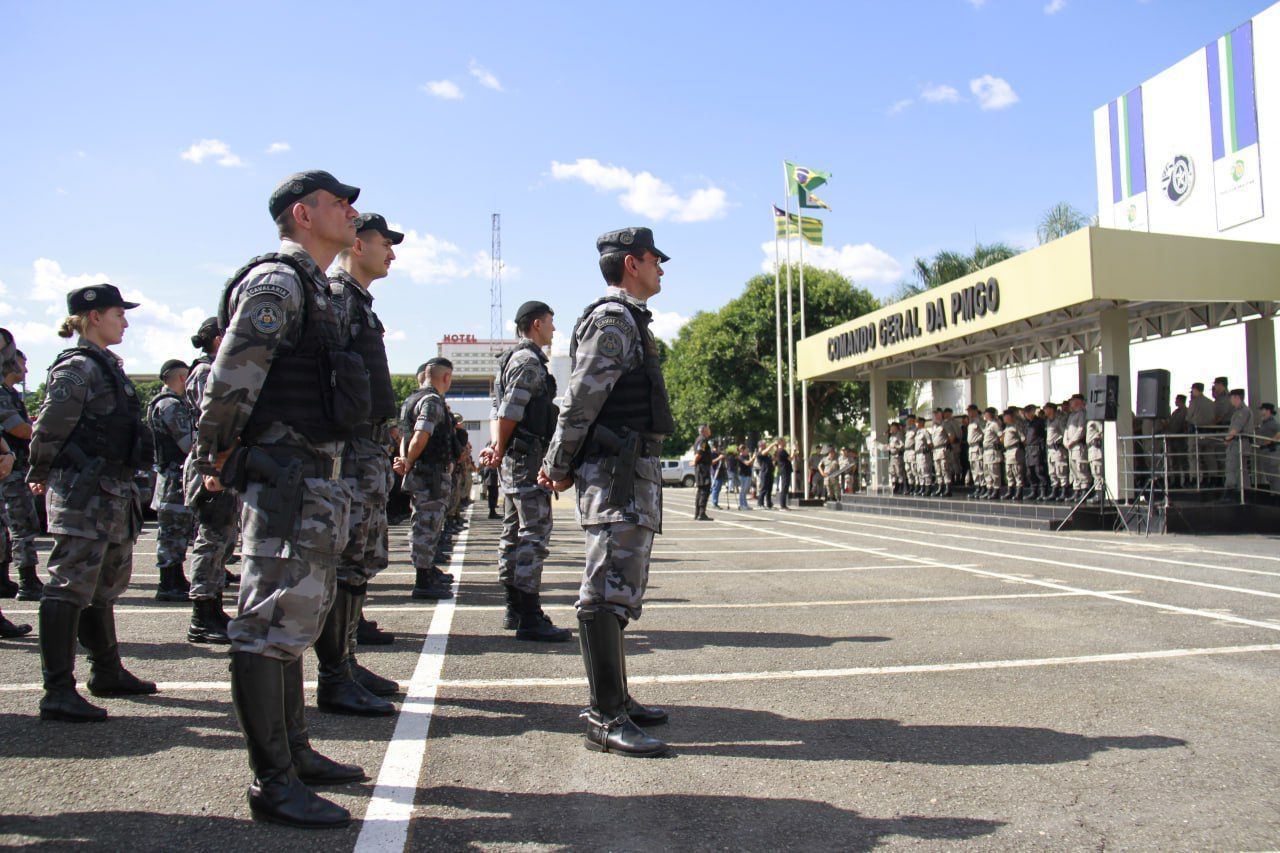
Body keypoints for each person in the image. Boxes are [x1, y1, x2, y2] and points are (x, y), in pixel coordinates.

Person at [194, 170, 366, 828]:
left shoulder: (316, 286)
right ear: (303, 213)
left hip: (312, 476)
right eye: (339, 201)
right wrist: (213, 458)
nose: (351, 210)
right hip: (286, 476)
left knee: (293, 618)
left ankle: (294, 752)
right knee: (266, 622)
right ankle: (272, 781)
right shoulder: (279, 281)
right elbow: (231, 375)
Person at [539, 225, 672, 758]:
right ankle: (604, 715)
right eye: (655, 259)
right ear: (632, 263)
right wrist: (558, 463)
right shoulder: (614, 320)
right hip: (614, 474)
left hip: (628, 472)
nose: (661, 268)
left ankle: (617, 698)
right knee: (605, 588)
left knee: (622, 586)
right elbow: (579, 402)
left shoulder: (630, 320)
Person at [27, 286, 158, 722]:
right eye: (119, 313)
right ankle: (58, 691)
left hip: (111, 491)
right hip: (83, 491)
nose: (126, 322)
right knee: (68, 586)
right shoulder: (79, 366)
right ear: (94, 315)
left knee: (102, 587)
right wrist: (39, 470)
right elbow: (50, 425)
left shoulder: (108, 365)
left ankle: (106, 671)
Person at [314, 211, 407, 715]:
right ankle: (334, 676)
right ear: (357, 242)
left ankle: (345, 662)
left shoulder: (358, 303)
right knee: (345, 559)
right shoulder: (336, 298)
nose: (391, 251)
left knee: (359, 561)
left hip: (365, 450)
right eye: (384, 242)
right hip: (346, 453)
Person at [482, 299, 571, 643]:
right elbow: (509, 410)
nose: (553, 328)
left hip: (515, 458)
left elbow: (496, 410)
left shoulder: (509, 359)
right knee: (534, 534)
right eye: (550, 321)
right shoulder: (528, 362)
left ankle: (514, 607)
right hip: (527, 459)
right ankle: (529, 615)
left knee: (513, 533)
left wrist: (496, 446)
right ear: (536, 324)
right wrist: (500, 446)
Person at [184, 317, 238, 645]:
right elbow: (211, 422)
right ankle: (201, 615)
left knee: (222, 539)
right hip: (211, 464)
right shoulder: (206, 372)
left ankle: (214, 607)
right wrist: (211, 469)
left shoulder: (217, 368)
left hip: (221, 463)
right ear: (219, 339)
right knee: (211, 539)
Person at [395, 359, 458, 601]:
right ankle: (423, 581)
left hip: (423, 471)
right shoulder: (432, 401)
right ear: (446, 378)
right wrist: (409, 460)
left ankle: (428, 571)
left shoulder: (411, 399)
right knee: (427, 525)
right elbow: (420, 435)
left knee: (426, 523)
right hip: (429, 473)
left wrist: (405, 459)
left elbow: (405, 435)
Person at [148, 358, 196, 602]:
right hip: (173, 480)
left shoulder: (170, 403)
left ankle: (175, 578)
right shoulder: (170, 405)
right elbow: (188, 443)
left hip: (173, 478)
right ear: (180, 378)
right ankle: (169, 582)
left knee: (176, 531)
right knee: (172, 532)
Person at [1, 344, 43, 600]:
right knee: (20, 527)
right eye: (21, 362)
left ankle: (10, 580)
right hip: (9, 473)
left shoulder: (11, 394)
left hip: (16, 469)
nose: (25, 369)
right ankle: (26, 581)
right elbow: (19, 430)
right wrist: (44, 430)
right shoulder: (2, 395)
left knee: (18, 526)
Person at [1221, 389, 1254, 500]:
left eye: (1231, 397)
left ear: (1236, 397)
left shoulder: (1242, 411)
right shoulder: (1240, 411)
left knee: (1232, 468)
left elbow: (1235, 429)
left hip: (1238, 444)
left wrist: (1227, 439)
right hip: (1240, 444)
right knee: (1241, 470)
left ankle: (1229, 494)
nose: (1230, 400)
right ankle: (1245, 495)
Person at [1186, 382, 1217, 486]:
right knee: (1209, 456)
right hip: (1209, 433)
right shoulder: (1210, 402)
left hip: (1196, 432)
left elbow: (1188, 417)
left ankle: (1194, 479)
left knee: (1194, 457)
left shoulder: (1194, 403)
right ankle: (1213, 479)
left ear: (1195, 390)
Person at [1065, 394, 1091, 497]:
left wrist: (1071, 441)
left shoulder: (1082, 413)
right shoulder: (1071, 415)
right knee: (1073, 469)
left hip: (1078, 445)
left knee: (1081, 468)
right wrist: (1065, 441)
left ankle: (1084, 489)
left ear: (1078, 401)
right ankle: (1076, 489)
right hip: (1070, 447)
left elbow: (1081, 429)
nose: (1070, 403)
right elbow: (1067, 429)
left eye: (1072, 401)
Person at [1022, 404, 1048, 501]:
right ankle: (1034, 491)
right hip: (1029, 449)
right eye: (1026, 413)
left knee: (1039, 471)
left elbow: (1043, 436)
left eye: (1029, 412)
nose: (1027, 415)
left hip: (1037, 448)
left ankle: (1043, 491)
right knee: (1030, 472)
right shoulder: (1027, 423)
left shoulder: (1039, 422)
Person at [1000, 409, 1025, 500]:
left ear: (1010, 416)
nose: (1004, 418)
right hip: (1008, 451)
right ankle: (1010, 491)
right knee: (1009, 472)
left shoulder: (1017, 426)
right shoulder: (1006, 427)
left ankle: (1019, 491)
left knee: (1017, 471)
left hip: (1015, 449)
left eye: (1005, 416)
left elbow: (1023, 439)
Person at [1165, 393, 1189, 489]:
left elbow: (1182, 425)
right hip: (1173, 439)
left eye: (1177, 400)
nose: (1175, 401)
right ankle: (1177, 480)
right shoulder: (1175, 412)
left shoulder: (1185, 412)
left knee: (1182, 461)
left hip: (1180, 439)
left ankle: (1187, 479)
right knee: (1174, 461)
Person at [692, 424, 714, 520]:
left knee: (700, 490)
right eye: (708, 429)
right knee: (705, 489)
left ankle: (697, 513)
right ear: (704, 430)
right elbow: (700, 453)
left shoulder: (698, 439)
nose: (710, 431)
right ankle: (701, 513)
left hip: (700, 467)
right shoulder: (703, 440)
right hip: (703, 468)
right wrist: (695, 461)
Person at [1255, 403, 1278, 491]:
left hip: (1271, 451)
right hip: (1266, 451)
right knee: (1270, 476)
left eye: (1262, 409)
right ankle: (1274, 494)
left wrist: (1271, 441)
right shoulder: (1265, 423)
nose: (1261, 412)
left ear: (1268, 411)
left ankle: (1277, 495)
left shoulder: (1272, 422)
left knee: (1273, 475)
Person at [981, 407, 1003, 501]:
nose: (984, 415)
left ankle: (996, 489)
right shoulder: (987, 425)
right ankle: (989, 488)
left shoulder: (994, 424)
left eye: (985, 413)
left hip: (992, 450)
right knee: (987, 471)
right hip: (986, 451)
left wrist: (999, 445)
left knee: (994, 471)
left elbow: (1001, 436)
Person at [964, 405, 983, 497]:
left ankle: (983, 487)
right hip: (971, 448)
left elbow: (985, 433)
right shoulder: (971, 422)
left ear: (975, 410)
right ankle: (977, 488)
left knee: (979, 469)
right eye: (968, 411)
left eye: (970, 411)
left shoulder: (980, 420)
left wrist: (981, 441)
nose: (969, 413)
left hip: (977, 447)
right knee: (974, 469)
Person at [1085, 415, 1105, 503]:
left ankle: (1099, 495)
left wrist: (1098, 438)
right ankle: (1097, 493)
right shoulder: (1090, 419)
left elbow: (1102, 430)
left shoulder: (1095, 419)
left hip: (1096, 449)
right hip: (1091, 449)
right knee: (1094, 472)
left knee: (1097, 472)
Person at [914, 415, 935, 497]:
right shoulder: (917, 432)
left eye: (917, 422)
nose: (916, 424)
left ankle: (928, 488)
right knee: (919, 471)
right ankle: (922, 487)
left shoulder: (925, 432)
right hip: (918, 454)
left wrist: (928, 451)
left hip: (924, 454)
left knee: (925, 471)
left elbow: (930, 443)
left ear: (921, 423)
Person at [710, 445, 733, 509]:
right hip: (715, 473)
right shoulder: (713, 454)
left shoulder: (720, 454)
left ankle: (715, 502)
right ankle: (714, 503)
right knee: (715, 489)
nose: (719, 450)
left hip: (720, 473)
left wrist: (724, 458)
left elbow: (726, 463)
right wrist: (719, 458)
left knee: (718, 489)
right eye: (718, 449)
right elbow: (711, 462)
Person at [755, 439, 775, 508]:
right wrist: (772, 444)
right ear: (760, 446)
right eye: (763, 445)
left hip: (770, 472)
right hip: (764, 472)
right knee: (763, 488)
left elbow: (773, 458)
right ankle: (760, 503)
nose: (765, 446)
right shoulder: (759, 453)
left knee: (769, 489)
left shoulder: (767, 455)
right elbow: (765, 451)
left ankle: (769, 503)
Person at [775, 438, 793, 510]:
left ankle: (783, 504)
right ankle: (783, 505)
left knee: (785, 487)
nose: (785, 443)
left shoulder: (779, 451)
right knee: (784, 487)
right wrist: (794, 451)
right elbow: (790, 458)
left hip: (784, 470)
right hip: (784, 470)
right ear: (781, 442)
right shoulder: (781, 451)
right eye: (784, 442)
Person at [887, 423, 905, 494]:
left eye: (892, 427)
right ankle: (895, 487)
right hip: (892, 456)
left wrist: (895, 446)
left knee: (898, 472)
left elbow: (902, 445)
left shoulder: (899, 435)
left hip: (897, 456)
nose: (891, 429)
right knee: (892, 472)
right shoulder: (891, 437)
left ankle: (901, 487)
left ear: (896, 428)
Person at [902, 415, 918, 495]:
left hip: (912, 451)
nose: (907, 422)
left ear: (913, 421)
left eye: (909, 420)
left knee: (914, 470)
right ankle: (911, 487)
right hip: (906, 452)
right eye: (907, 420)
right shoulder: (907, 430)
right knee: (908, 470)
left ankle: (917, 487)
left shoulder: (916, 429)